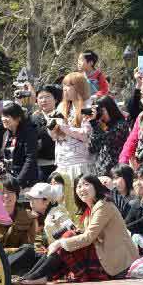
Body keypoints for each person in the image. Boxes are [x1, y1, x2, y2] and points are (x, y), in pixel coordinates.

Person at [19, 175, 138, 285]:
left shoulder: (103, 205)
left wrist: (59, 242)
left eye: (86, 184)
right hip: (101, 251)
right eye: (78, 186)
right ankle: (33, 276)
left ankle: (38, 276)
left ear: (96, 186)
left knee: (66, 239)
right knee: (67, 238)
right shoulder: (89, 209)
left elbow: (88, 237)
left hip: (116, 260)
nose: (81, 189)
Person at [49, 72, 95, 215]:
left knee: (80, 203)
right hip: (62, 163)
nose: (65, 89)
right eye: (64, 86)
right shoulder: (61, 107)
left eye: (69, 85)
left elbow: (86, 134)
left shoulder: (88, 106)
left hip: (79, 163)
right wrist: (51, 127)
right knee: (63, 204)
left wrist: (64, 127)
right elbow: (54, 136)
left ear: (79, 87)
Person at [0, 177, 37, 252]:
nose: (6, 196)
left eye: (10, 192)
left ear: (17, 195)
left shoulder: (29, 217)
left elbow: (33, 246)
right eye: (2, 192)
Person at [0, 101, 39, 188]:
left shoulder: (29, 132)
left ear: (18, 118)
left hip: (25, 182)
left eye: (7, 116)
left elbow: (30, 159)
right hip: (9, 180)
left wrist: (18, 181)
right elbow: (6, 156)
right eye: (3, 116)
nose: (3, 119)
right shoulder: (6, 134)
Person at [88, 96, 130, 177]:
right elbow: (92, 148)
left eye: (101, 110)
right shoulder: (101, 126)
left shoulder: (121, 125)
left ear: (110, 108)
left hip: (116, 172)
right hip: (101, 171)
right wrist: (95, 124)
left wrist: (95, 125)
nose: (100, 114)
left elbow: (108, 139)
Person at [30, 85, 61, 180]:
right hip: (41, 166)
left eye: (47, 97)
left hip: (62, 164)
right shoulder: (33, 119)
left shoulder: (63, 116)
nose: (44, 100)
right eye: (40, 98)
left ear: (55, 99)